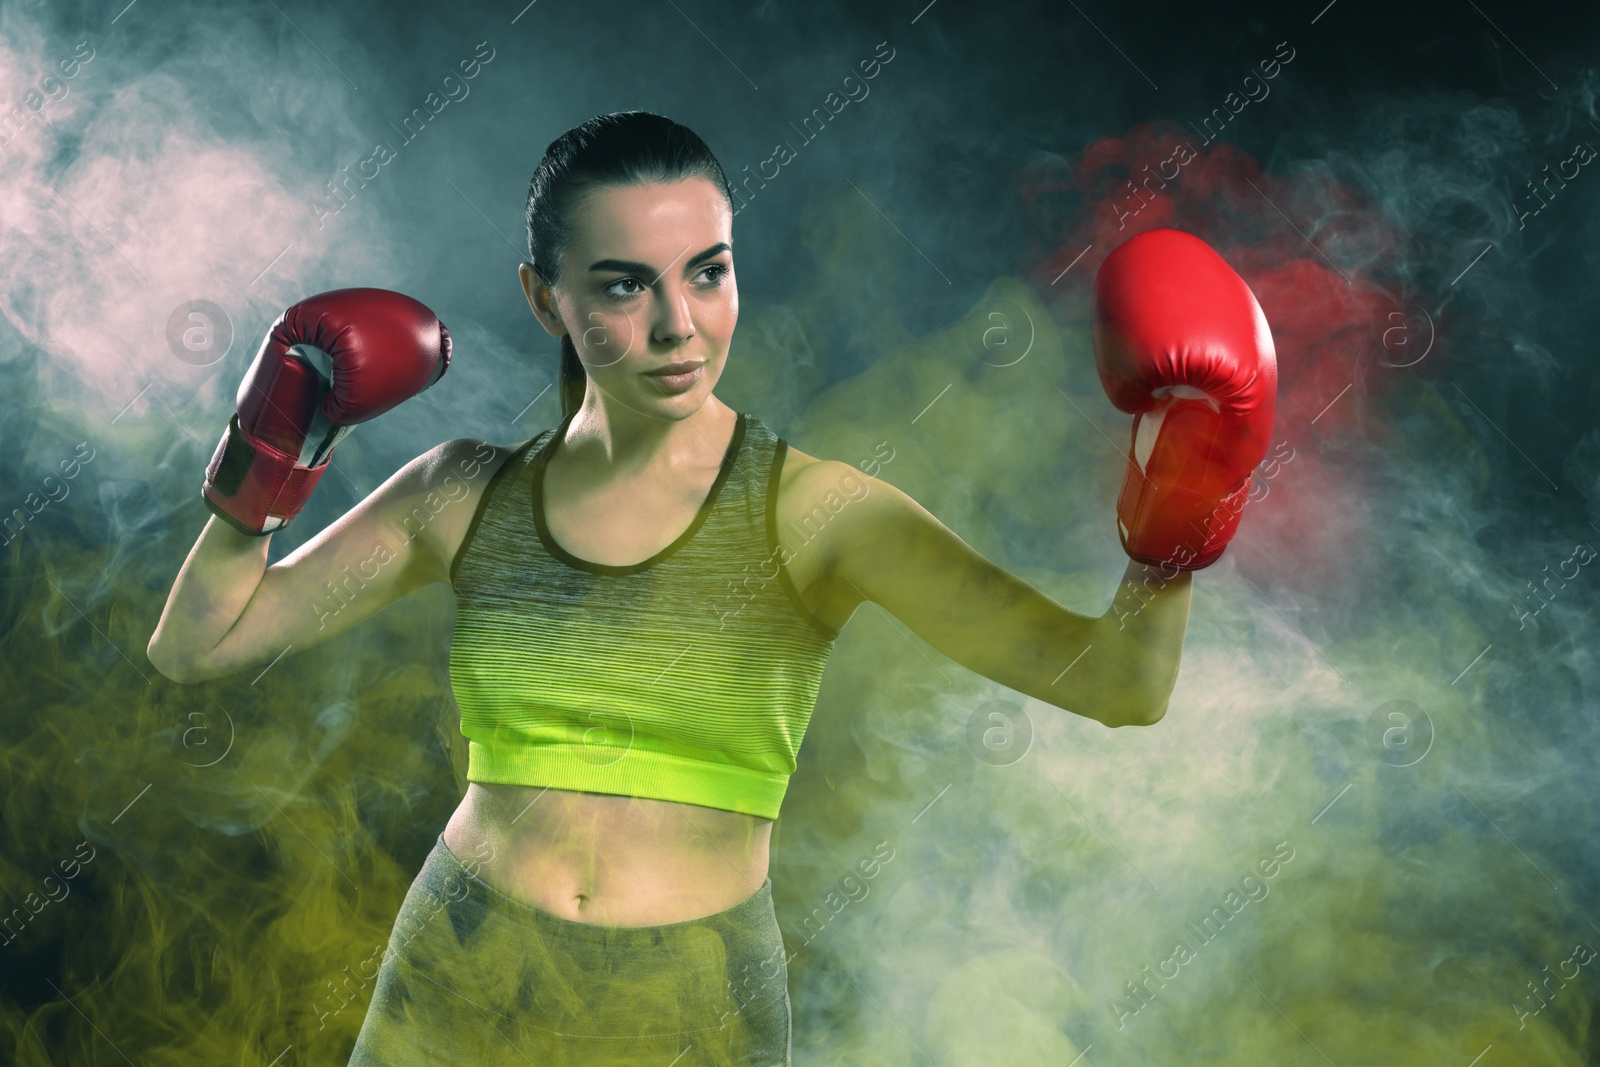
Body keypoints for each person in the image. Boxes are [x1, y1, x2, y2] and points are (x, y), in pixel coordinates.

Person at [146, 110, 1274, 1066]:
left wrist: (1185, 493)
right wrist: (273, 444)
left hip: (689, 1001)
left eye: (708, 271)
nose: (679, 324)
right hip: (461, 970)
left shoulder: (819, 510)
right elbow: (198, 646)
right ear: (545, 300)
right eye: (625, 285)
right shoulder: (460, 493)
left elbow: (1119, 683)